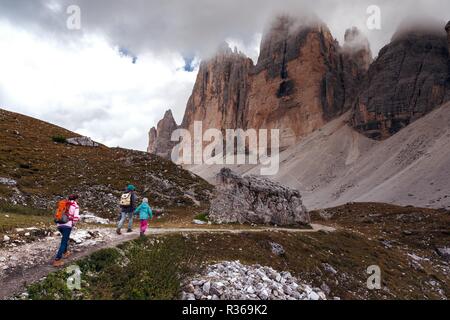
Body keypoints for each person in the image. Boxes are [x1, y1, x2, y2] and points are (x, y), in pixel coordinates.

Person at [53, 194, 80, 267]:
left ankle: (65, 252)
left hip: (59, 224)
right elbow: (76, 217)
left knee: (65, 238)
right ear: (76, 199)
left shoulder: (64, 204)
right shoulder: (75, 206)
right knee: (64, 242)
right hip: (67, 225)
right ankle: (57, 260)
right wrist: (73, 224)